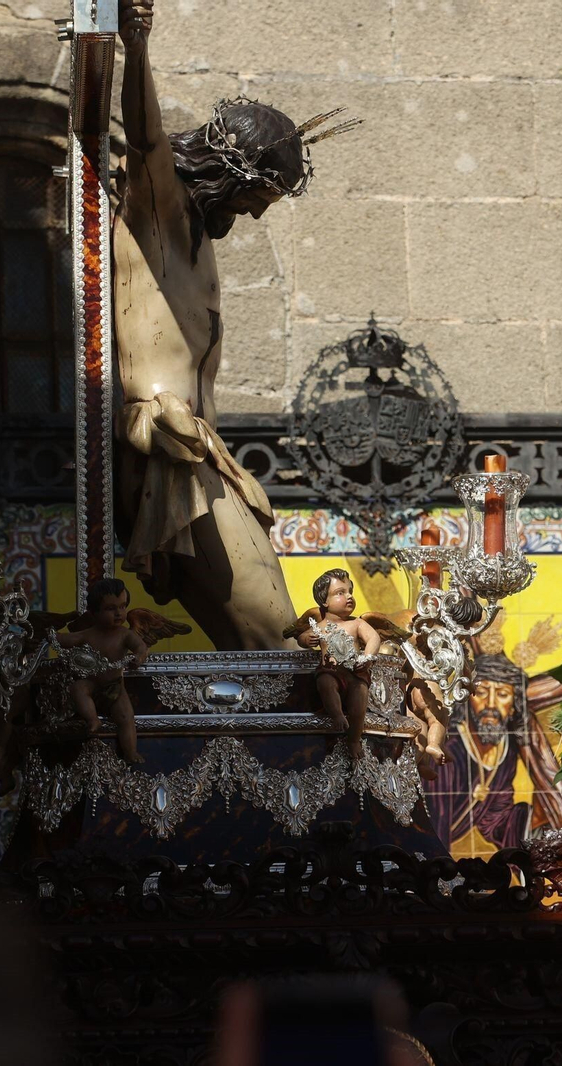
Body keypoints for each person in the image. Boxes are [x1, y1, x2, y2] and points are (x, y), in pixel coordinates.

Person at [113, 0, 357, 650]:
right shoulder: (159, 217)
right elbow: (144, 140)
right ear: (229, 174)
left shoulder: (195, 236)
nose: (252, 217)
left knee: (267, 641)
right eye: (256, 199)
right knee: (278, 640)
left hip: (199, 456)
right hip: (171, 453)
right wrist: (135, 44)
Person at [53, 578, 150, 763]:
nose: (118, 613)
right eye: (110, 608)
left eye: (122, 607)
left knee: (126, 717)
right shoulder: (89, 634)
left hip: (114, 686)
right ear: (94, 612)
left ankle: (130, 751)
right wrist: (52, 636)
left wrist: (138, 657)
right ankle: (92, 719)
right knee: (78, 689)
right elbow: (68, 640)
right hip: (92, 683)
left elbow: (141, 647)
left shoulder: (124, 634)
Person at [298, 569, 381, 758]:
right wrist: (306, 640)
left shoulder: (357, 624)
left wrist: (367, 658)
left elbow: (374, 638)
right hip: (331, 670)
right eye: (340, 593)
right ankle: (336, 715)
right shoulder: (319, 627)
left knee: (359, 700)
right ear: (324, 601)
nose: (349, 596)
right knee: (325, 682)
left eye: (350, 591)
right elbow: (301, 637)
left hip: (355, 672)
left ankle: (353, 740)